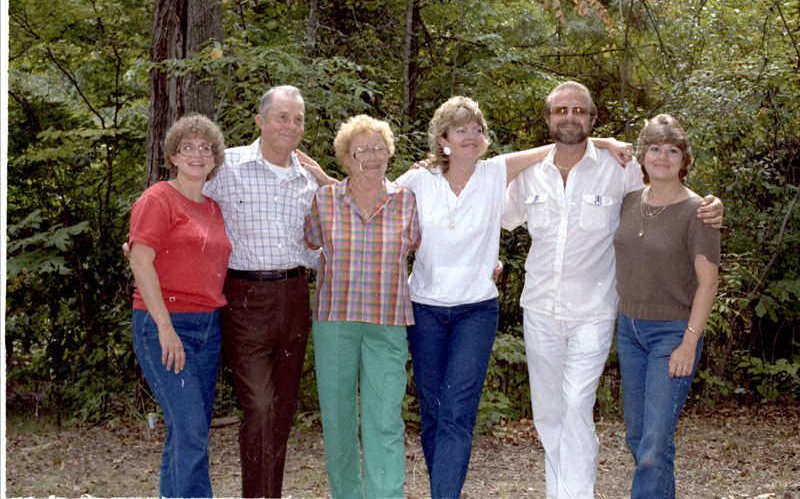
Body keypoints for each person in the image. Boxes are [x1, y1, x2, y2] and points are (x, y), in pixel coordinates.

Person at [395, 96, 631, 498]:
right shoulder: (422, 180)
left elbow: (568, 147)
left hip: (490, 309)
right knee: (436, 412)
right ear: (443, 139)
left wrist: (606, 143)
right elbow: (375, 199)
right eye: (460, 130)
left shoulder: (497, 174)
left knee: (465, 411)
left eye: (477, 130)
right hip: (432, 308)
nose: (471, 136)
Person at [502, 81, 723, 499]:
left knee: (577, 406)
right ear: (548, 118)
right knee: (549, 414)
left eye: (580, 111)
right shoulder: (531, 174)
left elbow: (668, 189)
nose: (570, 117)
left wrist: (713, 205)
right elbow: (486, 211)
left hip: (597, 313)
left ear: (592, 118)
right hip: (541, 309)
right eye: (561, 111)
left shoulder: (618, 170)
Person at [203, 85, 333, 498]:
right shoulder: (229, 167)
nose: (290, 126)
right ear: (260, 121)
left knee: (281, 411)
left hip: (294, 296)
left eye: (297, 119)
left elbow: (323, 245)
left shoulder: (308, 179)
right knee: (259, 407)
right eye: (282, 116)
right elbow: (188, 200)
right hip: (243, 297)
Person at [303, 115, 421, 499]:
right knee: (338, 419)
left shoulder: (407, 201)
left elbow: (424, 248)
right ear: (347, 158)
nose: (371, 156)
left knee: (385, 419)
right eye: (361, 150)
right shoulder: (324, 200)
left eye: (378, 148)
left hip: (388, 322)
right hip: (335, 320)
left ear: (389, 152)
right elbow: (309, 243)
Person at [613, 114, 719, 498]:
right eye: (655, 148)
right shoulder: (627, 202)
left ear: (684, 159)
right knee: (639, 438)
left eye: (672, 150)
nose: (662, 157)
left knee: (654, 447)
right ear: (642, 156)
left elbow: (708, 281)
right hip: (629, 331)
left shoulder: (699, 212)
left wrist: (689, 343)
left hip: (672, 335)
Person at [128, 114, 231, 498]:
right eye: (187, 147)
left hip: (208, 328)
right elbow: (140, 260)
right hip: (165, 326)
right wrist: (166, 328)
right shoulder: (158, 198)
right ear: (173, 155)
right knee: (190, 430)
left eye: (206, 148)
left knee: (191, 432)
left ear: (215, 158)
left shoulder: (214, 208)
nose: (197, 154)